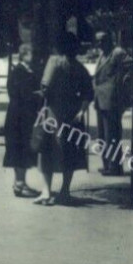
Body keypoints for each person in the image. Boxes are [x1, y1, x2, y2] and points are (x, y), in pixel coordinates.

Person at [30, 33, 93, 206]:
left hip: (54, 112)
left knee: (46, 150)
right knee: (70, 152)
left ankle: (46, 191)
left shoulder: (54, 62)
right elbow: (89, 92)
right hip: (72, 114)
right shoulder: (80, 67)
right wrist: (81, 110)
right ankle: (65, 191)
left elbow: (46, 87)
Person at [2, 44, 41, 198]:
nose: (34, 56)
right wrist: (38, 95)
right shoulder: (18, 72)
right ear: (23, 55)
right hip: (18, 117)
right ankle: (20, 184)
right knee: (18, 149)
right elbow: (21, 94)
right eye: (31, 53)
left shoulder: (27, 70)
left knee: (22, 149)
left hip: (24, 116)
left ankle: (20, 183)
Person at [93, 33, 133, 176]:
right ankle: (107, 165)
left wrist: (123, 85)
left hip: (112, 101)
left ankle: (115, 167)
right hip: (100, 100)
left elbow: (131, 67)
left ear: (109, 40)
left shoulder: (117, 52)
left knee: (112, 136)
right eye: (97, 41)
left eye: (102, 41)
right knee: (102, 136)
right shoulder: (102, 54)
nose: (99, 44)